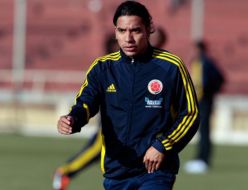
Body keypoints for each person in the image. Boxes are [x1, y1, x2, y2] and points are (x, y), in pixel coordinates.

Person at [57, 1, 200, 190]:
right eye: (122, 31)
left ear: (149, 29)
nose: (128, 38)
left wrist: (162, 145)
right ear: (115, 32)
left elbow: (190, 114)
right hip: (117, 172)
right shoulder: (102, 68)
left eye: (136, 30)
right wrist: (72, 119)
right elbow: (85, 103)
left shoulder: (171, 67)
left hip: (155, 171)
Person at [52, 33, 119, 190]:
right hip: (110, 126)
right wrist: (74, 118)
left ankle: (66, 172)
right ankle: (65, 172)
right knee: (95, 150)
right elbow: (87, 100)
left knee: (99, 154)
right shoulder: (105, 69)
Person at [184, 40, 224, 174]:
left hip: (204, 100)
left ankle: (204, 159)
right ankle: (200, 158)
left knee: (204, 130)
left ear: (198, 49)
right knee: (201, 130)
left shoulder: (205, 62)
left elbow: (219, 78)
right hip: (200, 100)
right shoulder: (199, 62)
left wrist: (209, 92)